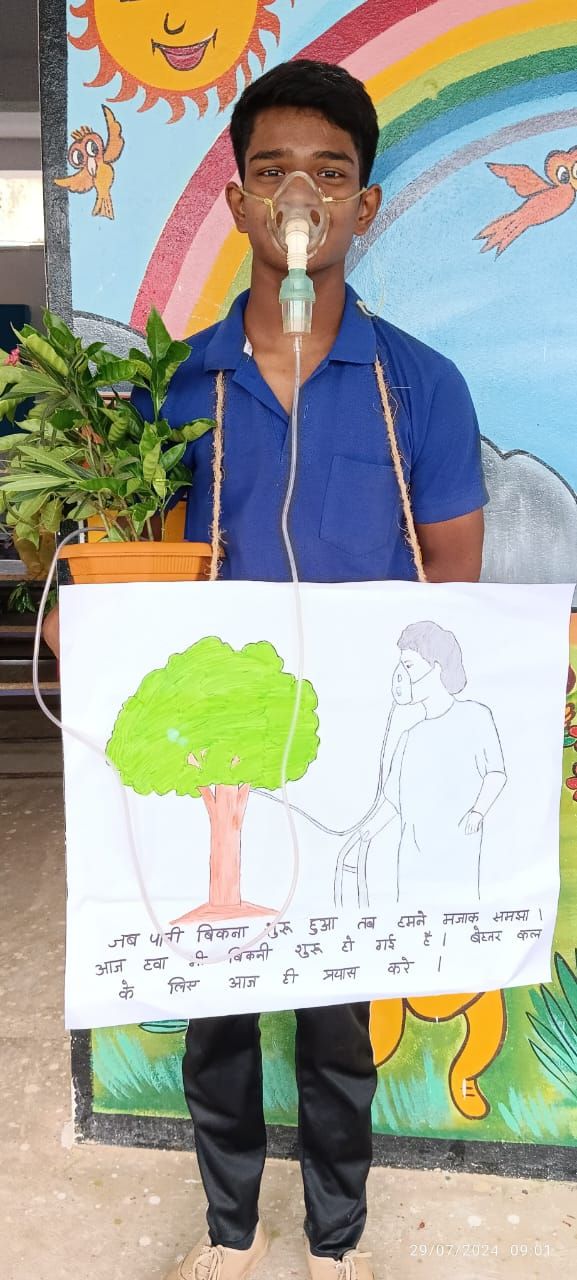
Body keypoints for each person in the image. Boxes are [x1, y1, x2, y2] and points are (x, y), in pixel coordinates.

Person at [44, 60, 488, 1280]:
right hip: (217, 756)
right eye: (274, 171)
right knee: (220, 1009)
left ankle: (335, 1238)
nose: (302, 197)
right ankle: (228, 1228)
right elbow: (114, 569)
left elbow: (454, 580)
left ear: (365, 205)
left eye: (330, 174)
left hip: (348, 757)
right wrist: (85, 629)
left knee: (340, 1018)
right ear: (238, 200)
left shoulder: (419, 388)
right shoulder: (168, 392)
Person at [336, 622, 507, 908]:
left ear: (437, 667)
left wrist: (478, 811)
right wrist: (367, 831)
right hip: (412, 864)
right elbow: (394, 801)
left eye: (409, 666)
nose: (401, 676)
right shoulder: (409, 738)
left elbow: (496, 773)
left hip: (456, 854)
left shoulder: (475, 716)